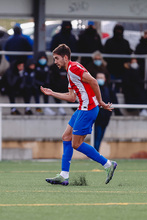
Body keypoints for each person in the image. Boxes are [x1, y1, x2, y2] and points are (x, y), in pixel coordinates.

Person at [41, 44, 117, 186]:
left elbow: (94, 81)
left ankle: (108, 164)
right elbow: (71, 97)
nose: (55, 61)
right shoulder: (70, 71)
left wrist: (100, 101)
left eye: (56, 58)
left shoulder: (74, 68)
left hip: (87, 109)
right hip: (82, 107)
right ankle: (64, 175)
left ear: (65, 57)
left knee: (76, 144)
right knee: (66, 137)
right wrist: (52, 93)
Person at [104, 24, 132, 91]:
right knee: (109, 84)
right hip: (111, 68)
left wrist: (126, 63)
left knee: (119, 85)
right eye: (117, 30)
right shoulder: (109, 42)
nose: (118, 32)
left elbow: (129, 54)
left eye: (120, 31)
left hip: (122, 69)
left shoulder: (125, 42)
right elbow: (105, 53)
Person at [94, 72, 112, 152]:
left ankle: (96, 153)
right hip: (97, 117)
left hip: (106, 117)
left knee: (100, 137)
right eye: (98, 77)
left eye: (102, 77)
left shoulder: (108, 89)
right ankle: (95, 153)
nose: (100, 79)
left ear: (105, 79)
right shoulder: (94, 89)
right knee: (97, 136)